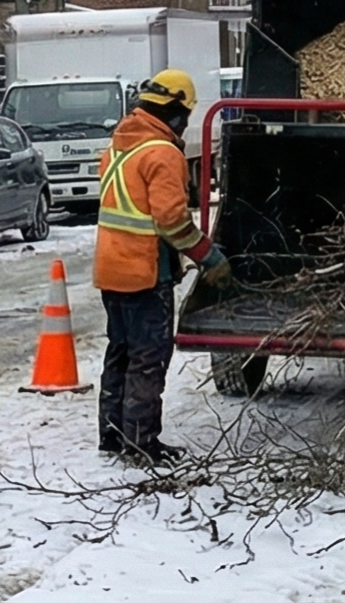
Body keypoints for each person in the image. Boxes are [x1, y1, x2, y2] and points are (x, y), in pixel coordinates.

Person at [92, 69, 229, 465]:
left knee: (120, 352)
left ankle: (113, 435)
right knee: (148, 359)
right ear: (176, 112)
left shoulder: (120, 146)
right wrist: (208, 256)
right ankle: (142, 442)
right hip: (145, 273)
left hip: (111, 269)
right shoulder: (162, 153)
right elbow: (171, 221)